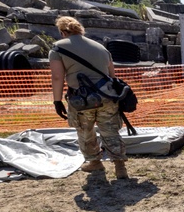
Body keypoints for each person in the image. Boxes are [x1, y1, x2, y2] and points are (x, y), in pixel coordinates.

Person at [49, 16, 128, 179]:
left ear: (63, 32)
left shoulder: (57, 49)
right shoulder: (101, 47)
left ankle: (94, 162)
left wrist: (57, 101)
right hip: (107, 96)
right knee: (110, 130)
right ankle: (120, 166)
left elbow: (57, 77)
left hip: (81, 100)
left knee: (85, 131)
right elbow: (112, 76)